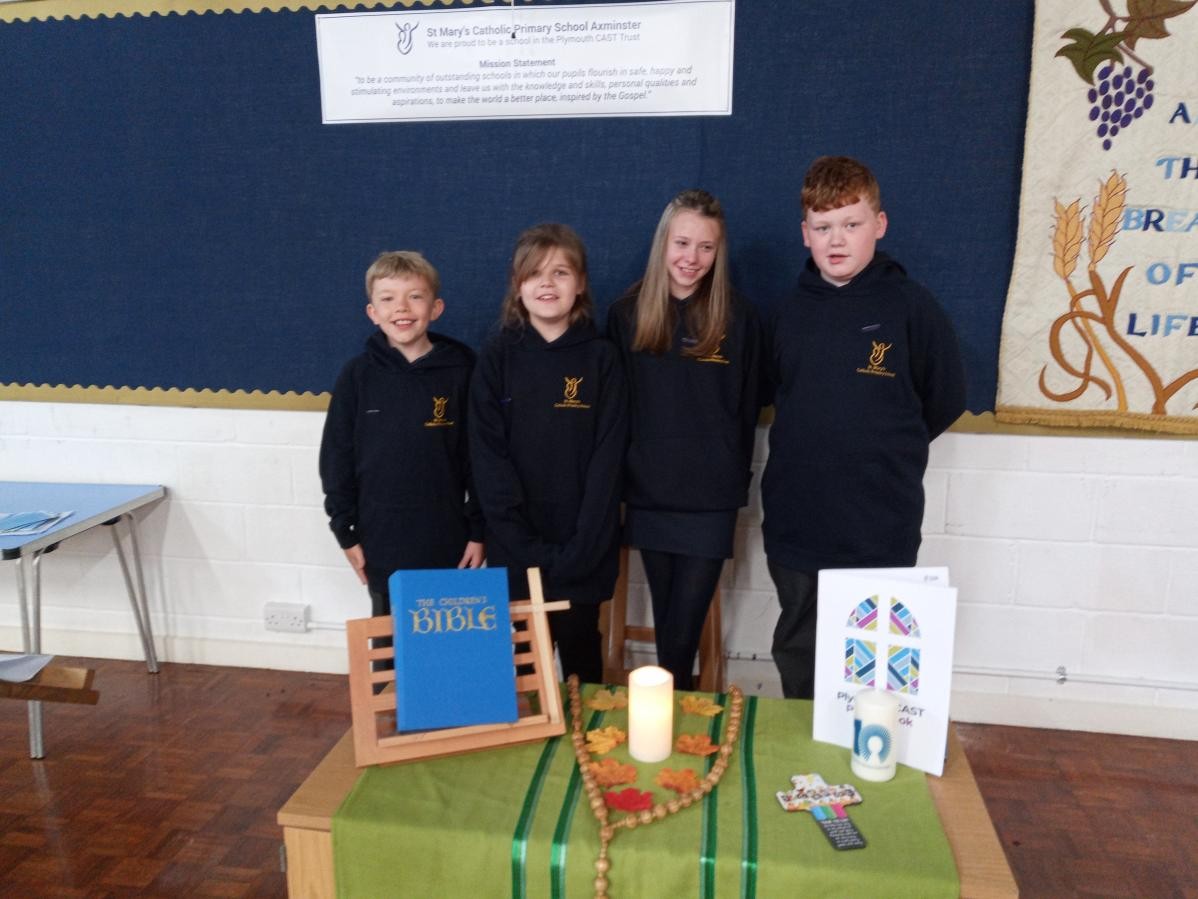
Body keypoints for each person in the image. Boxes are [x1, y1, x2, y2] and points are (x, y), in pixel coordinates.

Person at [762, 156, 967, 699]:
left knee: (873, 670)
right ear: (805, 233)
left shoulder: (911, 307)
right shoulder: (785, 312)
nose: (837, 240)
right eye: (823, 227)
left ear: (879, 224)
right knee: (801, 651)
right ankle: (802, 745)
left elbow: (945, 398)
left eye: (851, 224)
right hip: (798, 521)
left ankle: (867, 749)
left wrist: (881, 448)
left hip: (879, 524)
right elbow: (775, 393)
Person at [607, 189, 761, 690]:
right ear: (663, 244)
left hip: (711, 496)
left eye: (706, 247)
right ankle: (671, 705)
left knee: (684, 625)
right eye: (682, 243)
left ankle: (667, 704)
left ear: (719, 252)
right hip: (649, 490)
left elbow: (747, 407)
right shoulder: (626, 314)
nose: (692, 258)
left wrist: (730, 475)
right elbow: (616, 411)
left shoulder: (740, 318)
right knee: (667, 612)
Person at [469, 223, 627, 684]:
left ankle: (584, 731)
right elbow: (487, 457)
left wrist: (581, 546)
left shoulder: (602, 358)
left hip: (584, 548)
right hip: (515, 545)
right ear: (517, 285)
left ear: (580, 284)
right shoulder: (497, 357)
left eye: (560, 272)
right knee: (523, 671)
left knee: (581, 664)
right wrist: (520, 542)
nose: (547, 283)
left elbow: (607, 461)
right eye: (535, 273)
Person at [319, 250, 485, 622]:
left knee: (446, 636)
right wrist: (344, 531)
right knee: (389, 637)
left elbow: (479, 459)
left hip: (448, 538)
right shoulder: (357, 376)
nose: (402, 308)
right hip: (380, 539)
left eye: (415, 296)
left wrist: (478, 530)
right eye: (388, 298)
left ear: (436, 307)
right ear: (372, 312)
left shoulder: (463, 372)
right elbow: (336, 458)